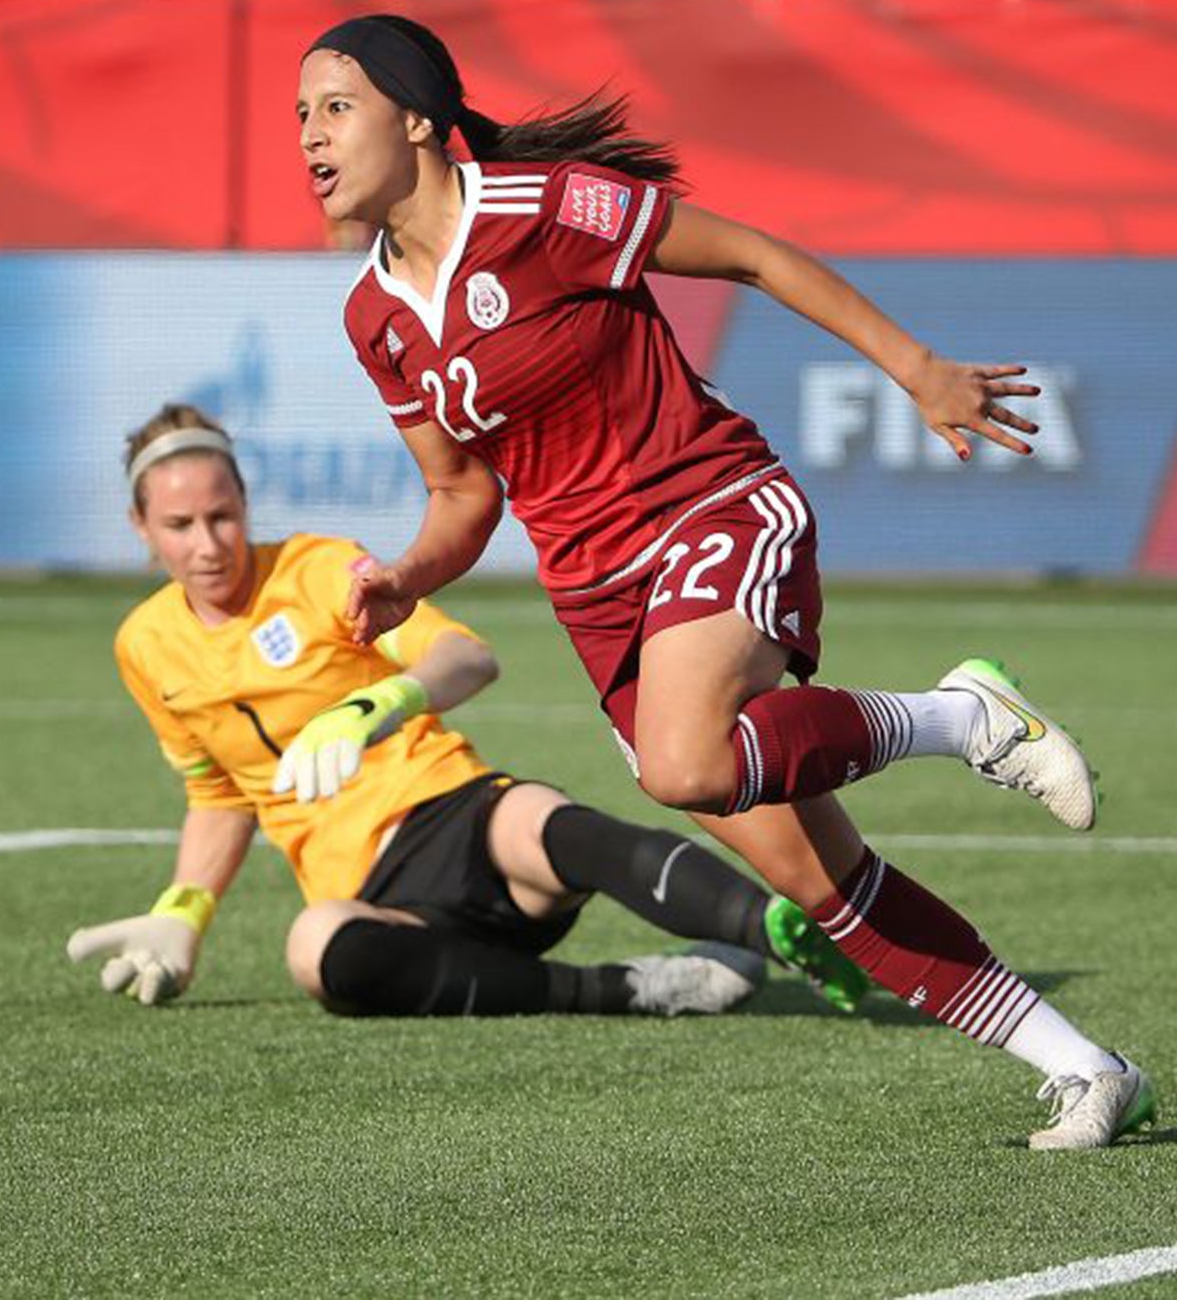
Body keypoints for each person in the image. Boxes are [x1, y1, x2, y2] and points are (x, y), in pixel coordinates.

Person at [292, 13, 1155, 1150]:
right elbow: (461, 494)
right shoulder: (374, 317)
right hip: (600, 601)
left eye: (335, 105)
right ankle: (1084, 1068)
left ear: (417, 118)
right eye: (301, 114)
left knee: (683, 763)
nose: (310, 134)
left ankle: (961, 716)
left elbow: (751, 254)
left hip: (712, 507)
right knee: (822, 887)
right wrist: (409, 573)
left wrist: (917, 370)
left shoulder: (545, 206)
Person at [68, 404, 870, 1023]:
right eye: (180, 526)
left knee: (548, 822)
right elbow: (218, 794)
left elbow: (466, 657)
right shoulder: (145, 644)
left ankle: (784, 928)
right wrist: (185, 911)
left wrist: (376, 704)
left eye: (222, 515)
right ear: (142, 529)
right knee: (316, 952)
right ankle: (628, 987)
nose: (209, 543)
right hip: (371, 894)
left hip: (456, 815)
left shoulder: (315, 569)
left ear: (244, 503)